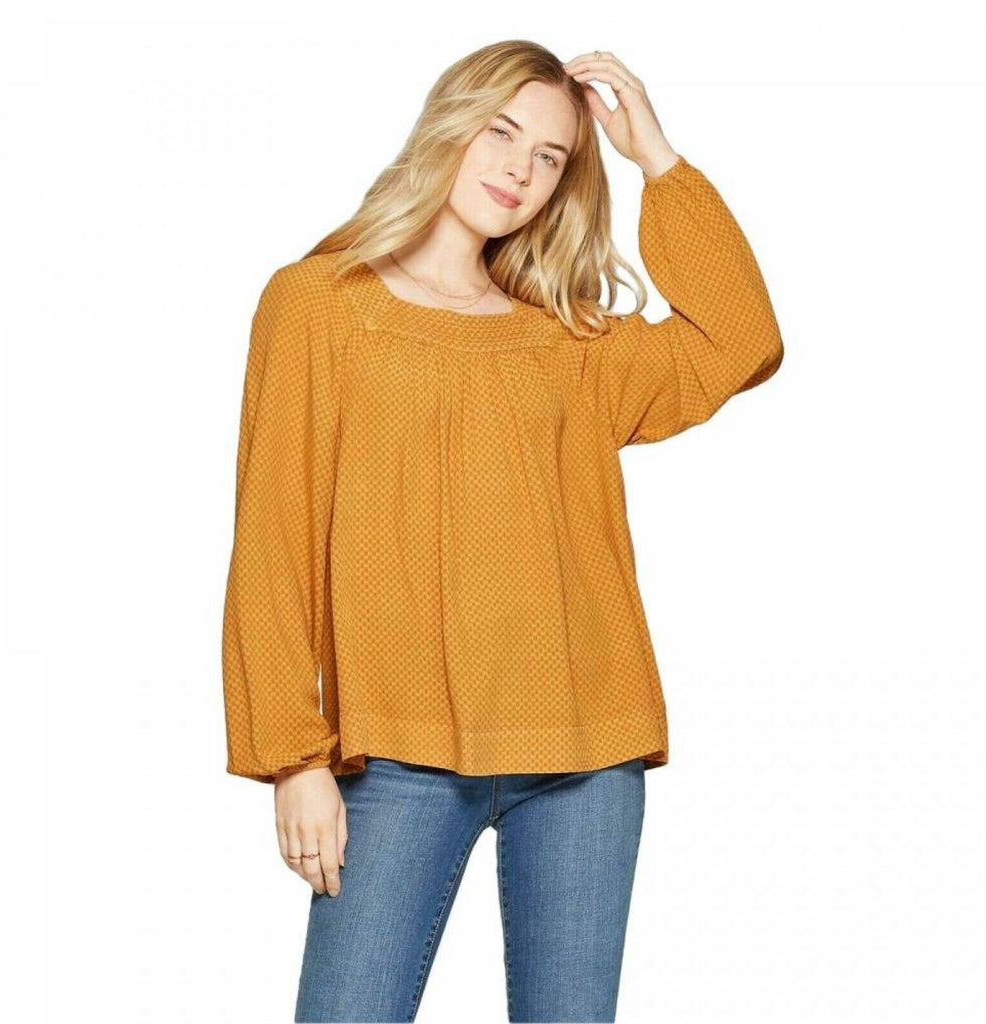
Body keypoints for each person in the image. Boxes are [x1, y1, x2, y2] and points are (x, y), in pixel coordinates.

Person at [220, 40, 784, 1024]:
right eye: (501, 133)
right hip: (396, 758)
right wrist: (293, 757)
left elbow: (739, 342)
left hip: (586, 755)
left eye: (550, 157)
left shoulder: (565, 340)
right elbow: (273, 541)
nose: (519, 170)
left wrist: (656, 159)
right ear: (450, 124)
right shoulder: (319, 306)